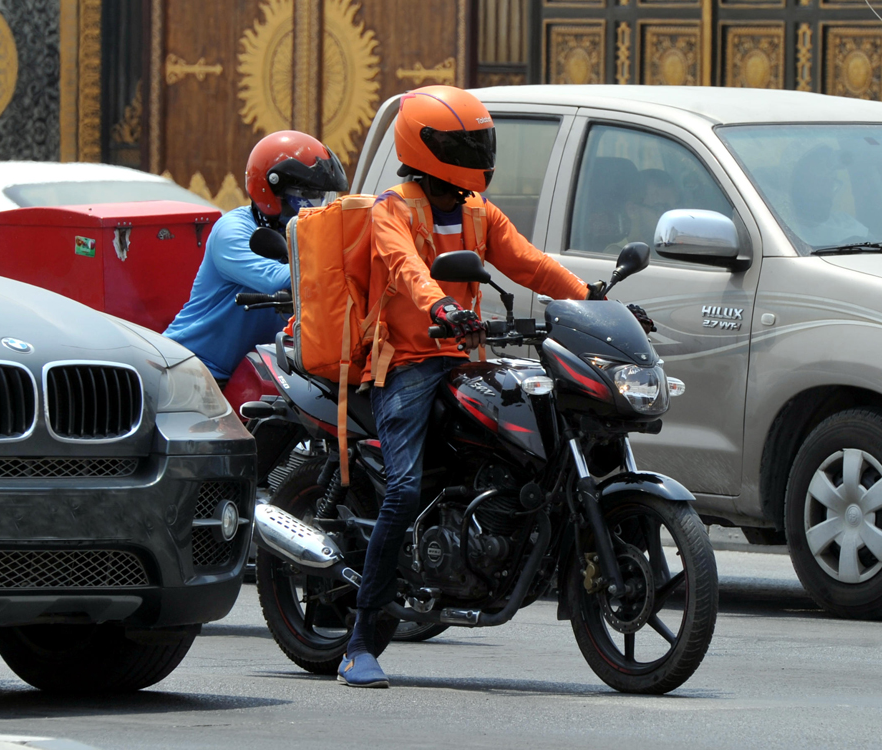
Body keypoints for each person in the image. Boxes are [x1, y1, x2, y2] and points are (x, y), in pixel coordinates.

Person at [337, 86, 594, 688]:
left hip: (467, 359)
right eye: (466, 145)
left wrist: (589, 299)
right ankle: (359, 641)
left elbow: (528, 263)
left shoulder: (478, 210)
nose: (479, 154)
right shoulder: (390, 210)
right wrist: (440, 309)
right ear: (428, 149)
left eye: (480, 142)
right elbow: (407, 270)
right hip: (408, 362)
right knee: (401, 491)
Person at [164, 131, 348, 383]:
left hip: (252, 368)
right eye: (309, 195)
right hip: (191, 366)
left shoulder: (300, 233)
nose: (319, 207)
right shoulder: (232, 232)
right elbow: (276, 278)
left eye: (324, 197)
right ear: (273, 191)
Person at [789, 145, 869, 249]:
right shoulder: (781, 230)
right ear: (797, 184)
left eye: (831, 181)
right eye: (820, 180)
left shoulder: (847, 223)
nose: (827, 190)